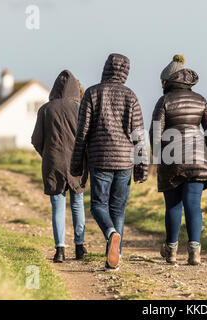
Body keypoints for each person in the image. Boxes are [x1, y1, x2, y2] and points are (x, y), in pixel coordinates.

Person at [70, 53, 148, 271]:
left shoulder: (92, 93)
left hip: (100, 158)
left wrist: (76, 164)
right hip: (124, 161)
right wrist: (142, 168)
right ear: (125, 73)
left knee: (97, 206)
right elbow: (138, 135)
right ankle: (115, 257)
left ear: (105, 69)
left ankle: (111, 234)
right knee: (118, 210)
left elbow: (82, 133)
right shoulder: (130, 96)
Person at [149, 55, 207, 265]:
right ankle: (195, 253)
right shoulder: (200, 99)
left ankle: (171, 251)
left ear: (168, 80)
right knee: (193, 205)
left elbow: (155, 133)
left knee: (173, 206)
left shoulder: (164, 101)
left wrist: (160, 156)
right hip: (197, 160)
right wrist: (201, 149)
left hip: (172, 161)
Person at [31, 70, 88, 263]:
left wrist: (47, 155)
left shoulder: (45, 109)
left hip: (53, 162)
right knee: (78, 204)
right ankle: (80, 247)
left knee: (57, 206)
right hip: (76, 163)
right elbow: (86, 138)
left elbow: (36, 140)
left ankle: (60, 250)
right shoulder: (81, 108)